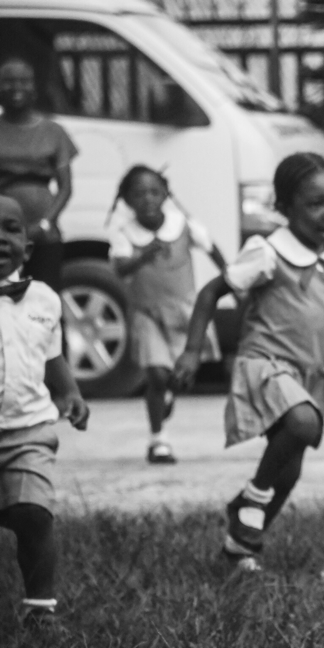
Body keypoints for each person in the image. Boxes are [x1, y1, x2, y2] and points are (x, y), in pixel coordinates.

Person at [173, 152, 324, 572]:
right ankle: (249, 500)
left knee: (288, 473)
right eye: (315, 204)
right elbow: (209, 294)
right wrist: (192, 349)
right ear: (285, 207)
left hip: (310, 376)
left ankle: (240, 547)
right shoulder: (267, 252)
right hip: (265, 363)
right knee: (302, 424)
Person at [0, 195, 89, 628]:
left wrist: (70, 392)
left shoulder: (45, 300)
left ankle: (40, 609)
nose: (1, 239)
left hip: (28, 428)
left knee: (34, 514)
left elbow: (50, 355)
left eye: (11, 228)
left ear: (28, 246)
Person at [108, 165, 226, 465]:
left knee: (178, 376)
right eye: (138, 194)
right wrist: (143, 257)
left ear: (165, 195)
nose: (147, 199)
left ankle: (166, 396)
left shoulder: (182, 224)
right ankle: (158, 441)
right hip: (147, 313)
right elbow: (120, 268)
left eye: (154, 192)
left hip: (185, 313)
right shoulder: (124, 234)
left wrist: (230, 279)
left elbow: (212, 248)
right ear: (126, 200)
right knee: (157, 374)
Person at [0, 55, 77, 294]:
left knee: (46, 298)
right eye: (9, 81)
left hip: (45, 235)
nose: (17, 87)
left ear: (34, 86)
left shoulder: (53, 132)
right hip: (2, 237)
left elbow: (65, 187)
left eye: (24, 81)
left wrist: (45, 224)